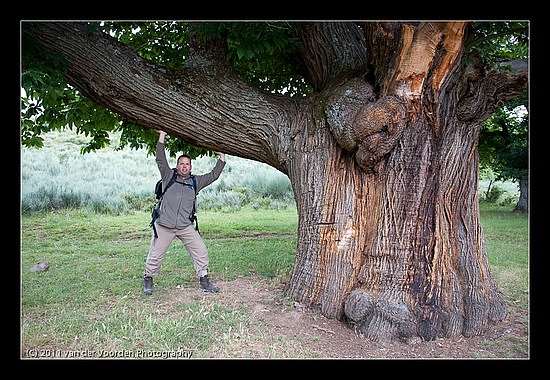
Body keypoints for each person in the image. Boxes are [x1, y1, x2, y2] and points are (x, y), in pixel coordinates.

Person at [143, 130, 226, 295]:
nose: (184, 166)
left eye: (187, 164)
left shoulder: (196, 181)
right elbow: (160, 158)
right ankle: (148, 279)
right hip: (164, 225)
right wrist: (162, 136)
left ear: (191, 167)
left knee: (201, 251)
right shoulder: (168, 176)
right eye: (181, 163)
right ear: (177, 165)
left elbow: (213, 175)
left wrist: (222, 157)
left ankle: (204, 280)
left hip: (184, 226)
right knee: (155, 256)